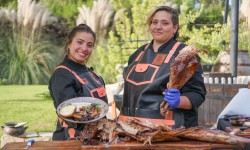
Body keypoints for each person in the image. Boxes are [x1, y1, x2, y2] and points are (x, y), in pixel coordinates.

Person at [121, 6, 206, 128]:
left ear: (175, 28)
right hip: (131, 127)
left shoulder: (185, 55)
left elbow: (198, 94)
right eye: (154, 22)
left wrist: (178, 101)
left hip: (168, 129)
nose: (158, 27)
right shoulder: (137, 55)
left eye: (165, 23)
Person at [49, 24, 108, 140]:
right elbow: (70, 113)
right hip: (73, 139)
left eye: (89, 45)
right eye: (79, 42)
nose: (84, 48)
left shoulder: (92, 74)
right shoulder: (62, 74)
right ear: (69, 43)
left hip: (96, 136)